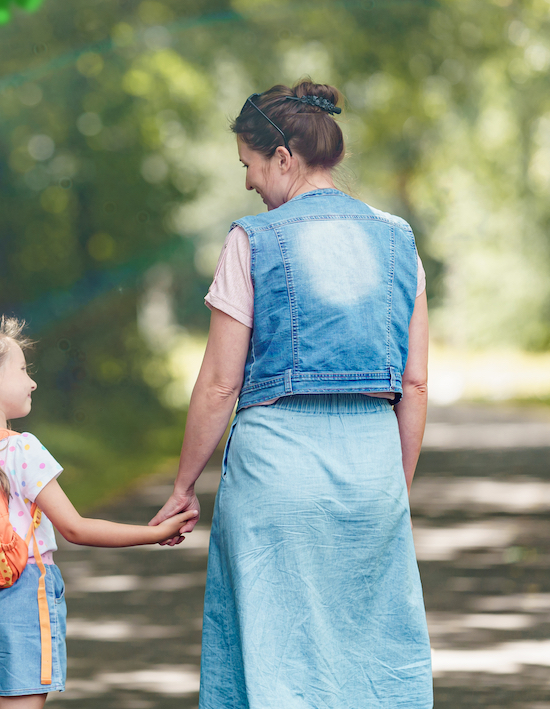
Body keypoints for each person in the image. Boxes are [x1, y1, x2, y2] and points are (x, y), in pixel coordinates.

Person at [147, 80, 434, 707]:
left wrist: (181, 487)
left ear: (283, 158)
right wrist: (394, 486)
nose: (249, 183)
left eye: (249, 166)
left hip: (274, 478)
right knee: (373, 655)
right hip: (370, 474)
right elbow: (414, 383)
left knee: (275, 658)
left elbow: (221, 383)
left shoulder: (252, 240)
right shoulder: (399, 240)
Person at [0, 316, 200, 709]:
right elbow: (75, 528)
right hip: (21, 593)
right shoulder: (22, 450)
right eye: (24, 370)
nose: (32, 382)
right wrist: (154, 533)